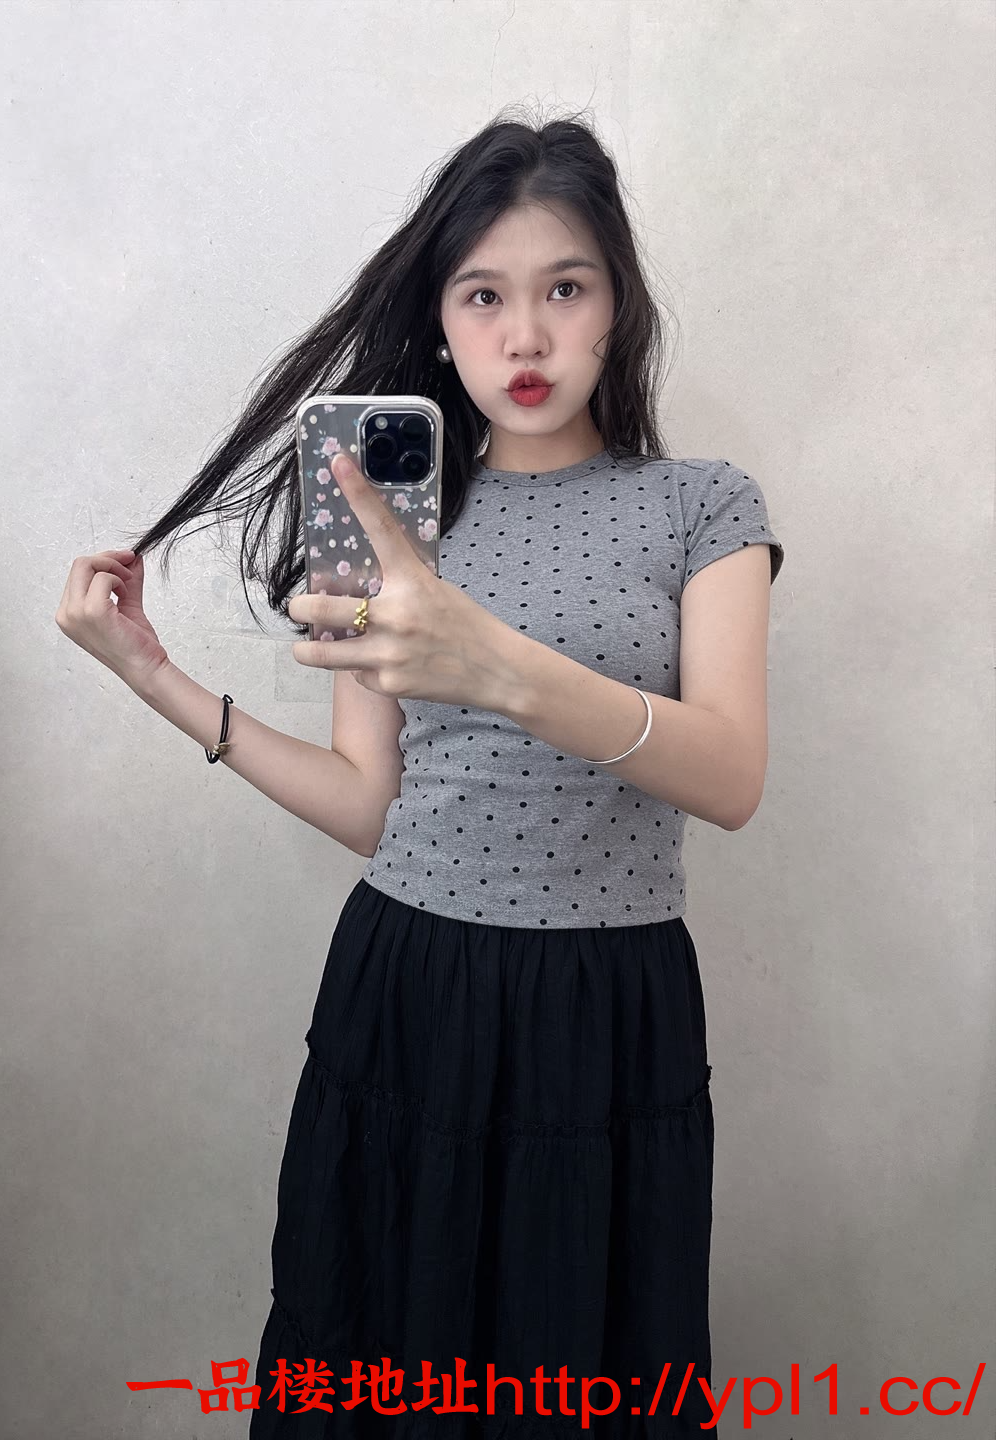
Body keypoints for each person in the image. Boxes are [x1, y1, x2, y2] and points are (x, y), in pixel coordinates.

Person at [56, 106, 784, 1438]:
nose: (526, 337)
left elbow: (731, 774)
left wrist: (496, 664)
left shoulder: (703, 506)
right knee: (381, 1364)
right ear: (441, 321)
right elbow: (367, 803)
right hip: (412, 988)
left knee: (587, 1370)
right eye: (484, 295)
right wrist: (151, 676)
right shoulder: (390, 516)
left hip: (608, 1009)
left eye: (566, 288)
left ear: (618, 306)